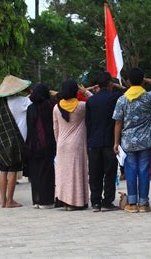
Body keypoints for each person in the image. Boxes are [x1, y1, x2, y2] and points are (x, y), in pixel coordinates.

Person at [113, 68, 151, 213]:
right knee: (144, 171)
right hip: (146, 140)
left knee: (130, 171)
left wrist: (116, 142)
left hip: (128, 141)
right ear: (143, 80)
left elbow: (118, 122)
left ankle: (131, 203)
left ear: (129, 81)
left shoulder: (122, 99)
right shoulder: (150, 97)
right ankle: (143, 203)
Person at [85, 72, 124, 212]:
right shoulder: (115, 97)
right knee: (110, 172)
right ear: (110, 83)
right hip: (110, 140)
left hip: (94, 141)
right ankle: (107, 201)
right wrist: (118, 86)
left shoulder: (91, 101)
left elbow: (87, 123)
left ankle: (95, 202)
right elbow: (127, 91)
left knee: (95, 173)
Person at [0, 75, 31, 208]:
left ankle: (3, 201)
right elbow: (33, 103)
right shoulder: (22, 101)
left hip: (1, 141)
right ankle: (10, 201)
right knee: (13, 170)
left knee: (3, 170)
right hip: (16, 140)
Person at [53, 79, 91, 211]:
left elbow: (55, 129)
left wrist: (58, 144)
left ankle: (64, 201)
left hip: (62, 144)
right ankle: (77, 201)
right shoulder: (81, 106)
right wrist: (86, 92)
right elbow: (95, 101)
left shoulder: (57, 107)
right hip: (77, 144)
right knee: (77, 173)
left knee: (63, 174)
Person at [26, 83, 56, 209]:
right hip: (47, 144)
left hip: (33, 145)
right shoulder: (49, 105)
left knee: (35, 173)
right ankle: (46, 200)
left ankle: (36, 200)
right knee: (47, 173)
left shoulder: (30, 108)